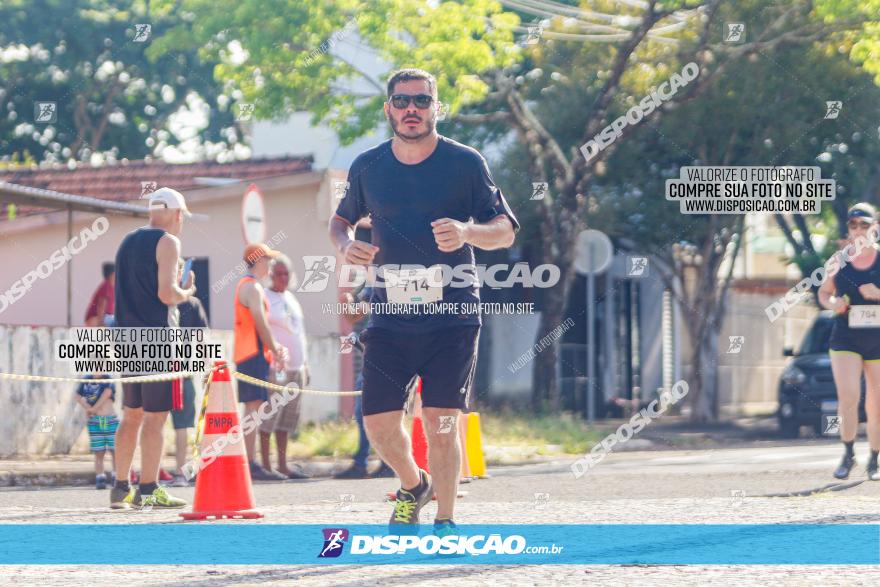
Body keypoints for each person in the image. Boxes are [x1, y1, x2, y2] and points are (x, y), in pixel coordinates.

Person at [328, 68, 519, 532]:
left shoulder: (465, 163)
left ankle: (446, 521)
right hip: (390, 314)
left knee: (441, 423)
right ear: (389, 108)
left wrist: (469, 231)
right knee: (378, 425)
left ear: (437, 107)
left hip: (452, 313)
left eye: (420, 101)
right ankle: (415, 485)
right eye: (401, 101)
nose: (410, 109)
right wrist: (344, 244)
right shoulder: (367, 166)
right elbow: (340, 221)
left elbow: (506, 230)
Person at [109, 187, 195, 509]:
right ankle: (148, 489)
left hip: (127, 338)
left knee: (131, 415)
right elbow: (166, 294)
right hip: (158, 340)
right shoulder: (169, 242)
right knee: (156, 418)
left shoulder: (127, 241)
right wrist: (187, 291)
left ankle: (120, 488)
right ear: (175, 213)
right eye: (181, 216)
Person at [819, 202, 880, 481]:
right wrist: (834, 305)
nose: (858, 230)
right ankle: (848, 454)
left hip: (877, 339)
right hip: (845, 337)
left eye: (864, 225)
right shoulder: (838, 260)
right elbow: (824, 294)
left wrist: (877, 293)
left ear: (875, 227)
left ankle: (875, 460)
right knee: (848, 398)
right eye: (853, 225)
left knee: (876, 404)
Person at [233, 242, 289, 481]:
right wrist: (275, 348)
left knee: (253, 408)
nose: (271, 264)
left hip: (251, 353)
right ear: (257, 261)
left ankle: (250, 461)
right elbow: (260, 322)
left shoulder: (248, 286)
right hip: (251, 354)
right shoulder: (252, 288)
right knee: (253, 409)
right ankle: (249, 462)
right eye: (267, 260)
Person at [333, 278, 394, 479]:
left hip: (391, 358)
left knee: (384, 413)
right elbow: (353, 317)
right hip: (373, 359)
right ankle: (366, 462)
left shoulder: (395, 280)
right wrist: (347, 301)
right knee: (363, 413)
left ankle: (383, 463)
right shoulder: (371, 284)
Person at [258, 255, 311, 479]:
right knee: (269, 415)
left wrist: (306, 365)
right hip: (275, 366)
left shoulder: (291, 298)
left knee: (289, 418)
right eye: (277, 273)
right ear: (270, 275)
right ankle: (266, 465)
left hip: (297, 367)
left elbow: (300, 334)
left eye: (285, 273)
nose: (282, 277)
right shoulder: (264, 297)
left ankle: (282, 464)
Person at [169, 293, 209, 487]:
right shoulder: (192, 303)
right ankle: (177, 473)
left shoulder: (190, 303)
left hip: (177, 373)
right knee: (180, 425)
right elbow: (201, 340)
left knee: (181, 426)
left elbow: (201, 340)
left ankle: (178, 472)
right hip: (174, 372)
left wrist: (205, 368)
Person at [75, 374, 117, 489]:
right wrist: (88, 407)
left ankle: (116, 476)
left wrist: (93, 409)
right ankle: (100, 476)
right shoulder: (86, 380)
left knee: (115, 451)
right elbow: (77, 396)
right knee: (99, 451)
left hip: (110, 420)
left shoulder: (108, 379)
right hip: (95, 421)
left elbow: (106, 394)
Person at [84, 262, 115, 327]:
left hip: (107, 317)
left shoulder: (112, 287)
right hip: (96, 318)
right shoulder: (106, 286)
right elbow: (101, 305)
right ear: (112, 274)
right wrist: (101, 322)